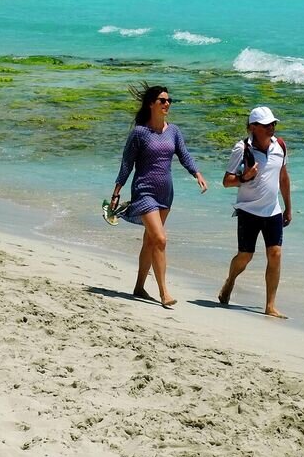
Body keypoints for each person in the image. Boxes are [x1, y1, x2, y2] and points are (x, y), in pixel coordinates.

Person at [109, 85, 207, 309]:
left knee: (151, 240)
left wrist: (197, 174)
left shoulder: (174, 131)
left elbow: (184, 155)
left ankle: (139, 287)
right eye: (162, 100)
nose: (167, 104)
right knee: (160, 239)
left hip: (166, 193)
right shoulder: (139, 133)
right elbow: (127, 165)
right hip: (144, 192)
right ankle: (164, 293)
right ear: (151, 104)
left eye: (169, 100)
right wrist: (117, 192)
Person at [218, 106, 292, 319]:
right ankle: (230, 281)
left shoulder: (280, 146)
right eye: (267, 124)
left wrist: (288, 206)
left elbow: (283, 177)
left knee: (275, 254)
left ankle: (270, 305)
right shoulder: (241, 149)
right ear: (253, 127)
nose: (271, 127)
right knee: (245, 256)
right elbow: (226, 181)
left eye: (273, 124)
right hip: (248, 211)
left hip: (273, 211)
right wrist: (245, 177)